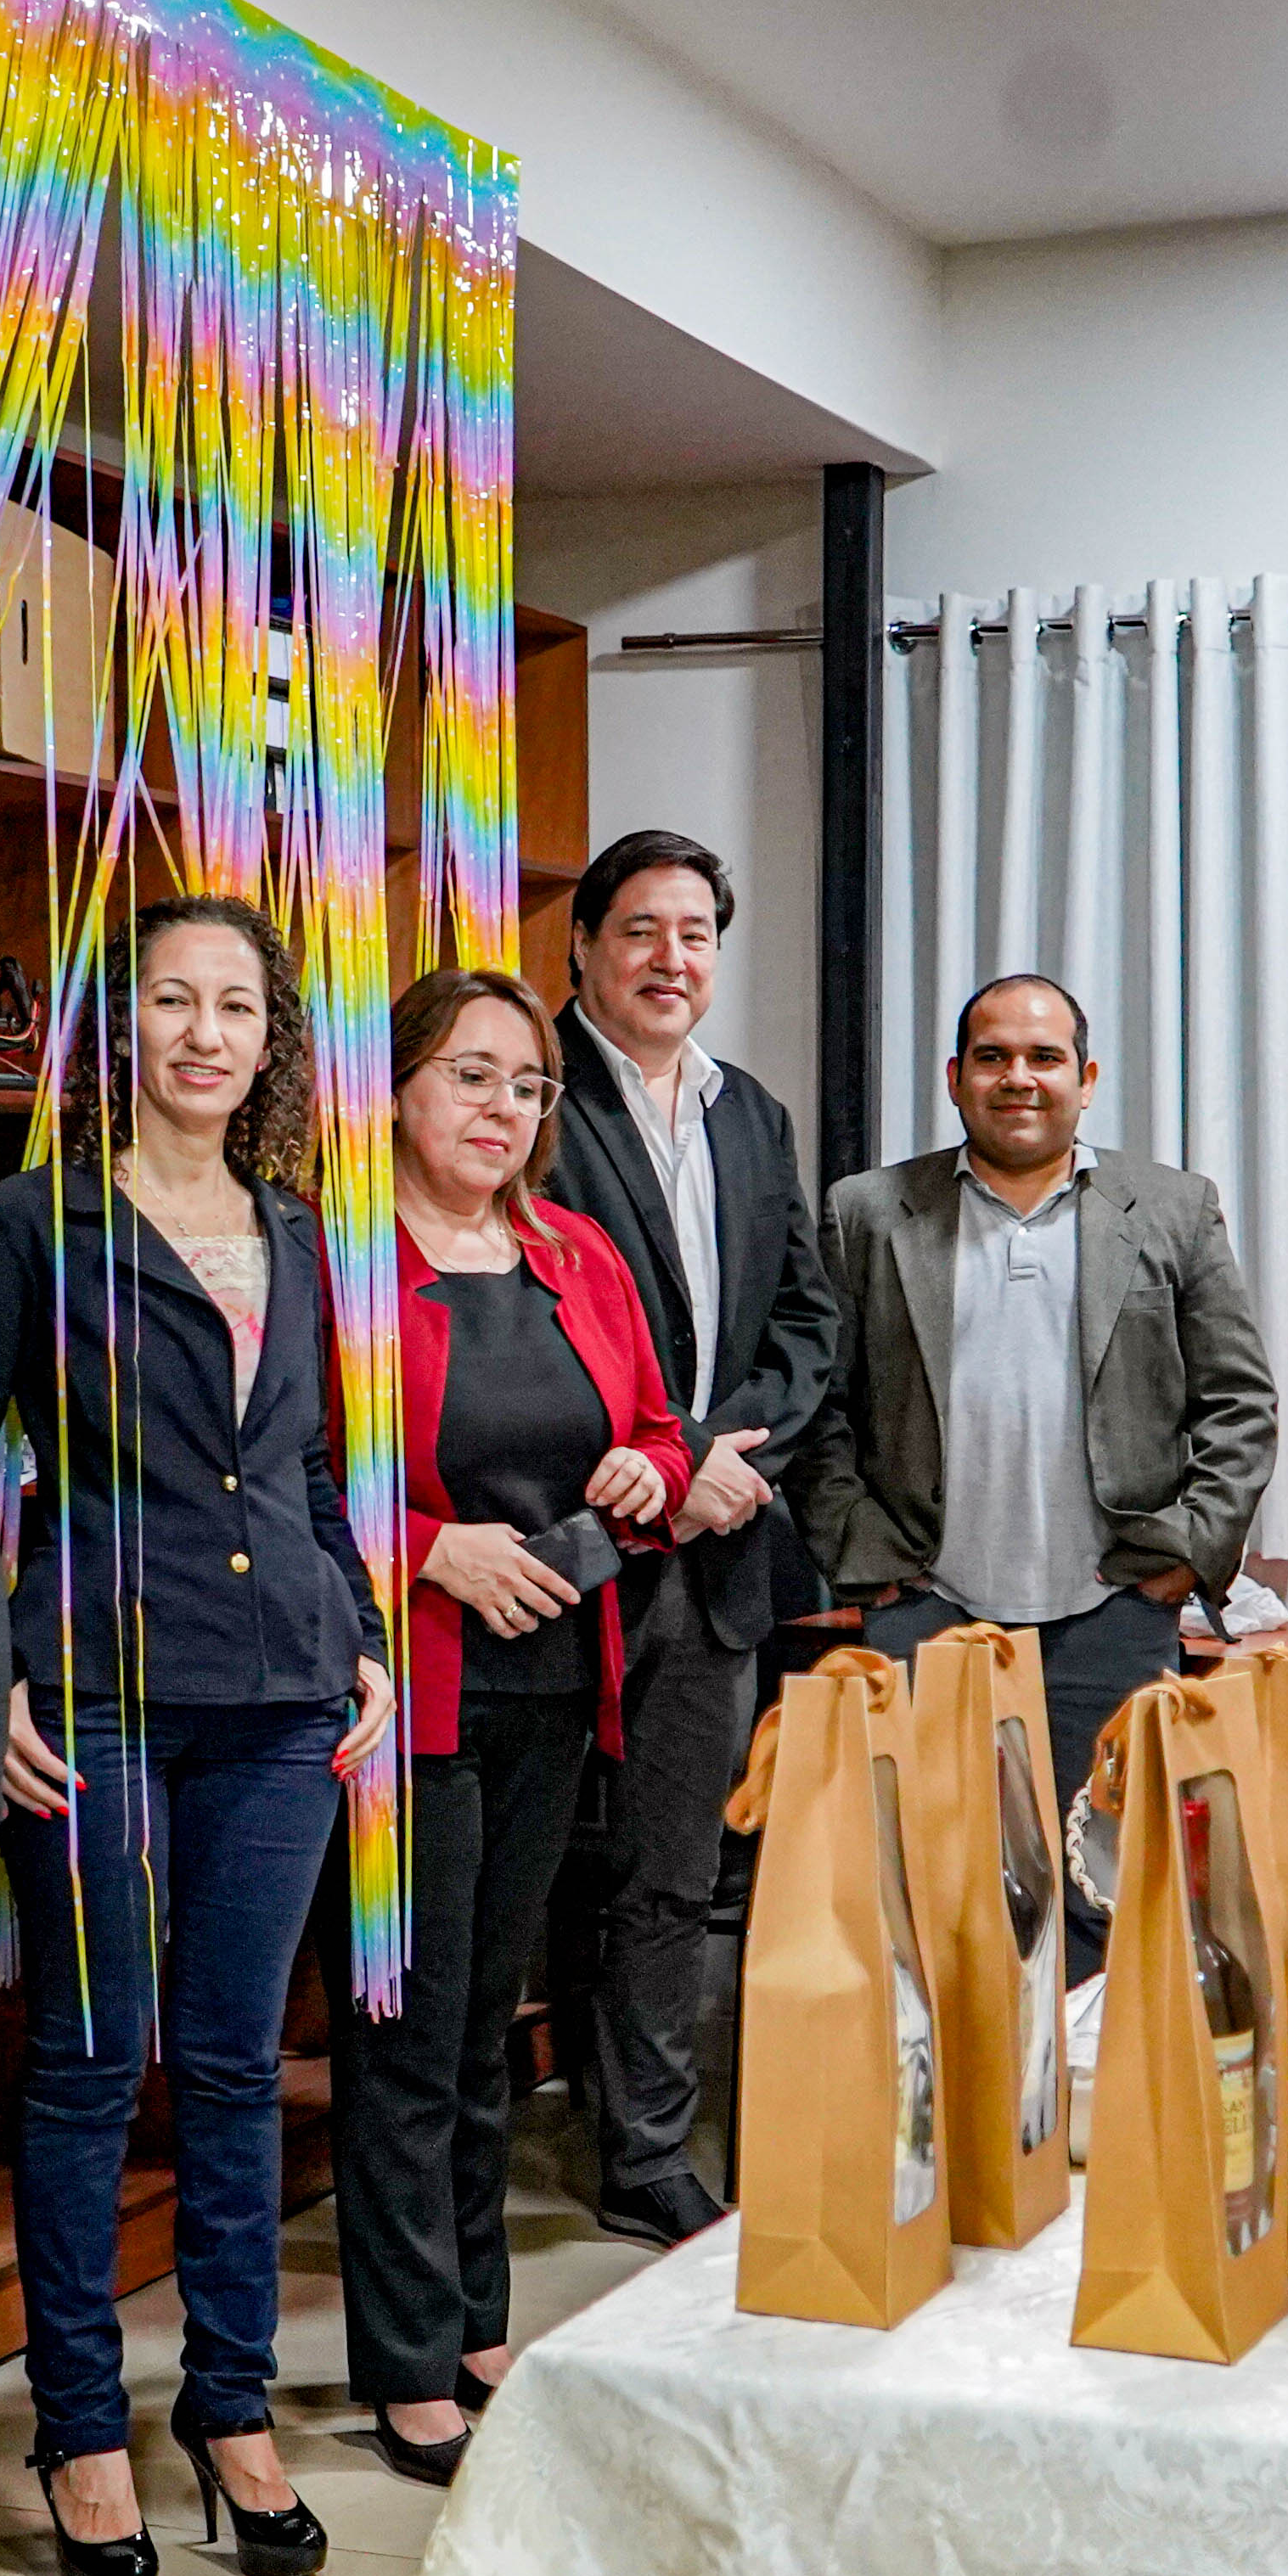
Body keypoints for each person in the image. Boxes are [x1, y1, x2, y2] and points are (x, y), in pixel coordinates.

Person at [0, 898, 394, 2576]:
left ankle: (228, 2405)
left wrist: (353, 1627)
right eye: (170, 1000)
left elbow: (314, 1468)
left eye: (237, 1006)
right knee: (83, 2059)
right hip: (97, 1682)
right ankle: (78, 2426)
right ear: (115, 1028)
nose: (205, 1031)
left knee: (228, 2064)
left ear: (273, 1040)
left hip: (283, 1688)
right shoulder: (33, 1218)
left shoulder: (297, 1225)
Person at [348, 965, 693, 2484]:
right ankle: (410, 2356)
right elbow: (288, 1470)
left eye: (529, 1086)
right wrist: (424, 1547)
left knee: (493, 2026)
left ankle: (481, 2320)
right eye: (472, 1077)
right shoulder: (337, 1261)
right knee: (413, 2037)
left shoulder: (576, 1251)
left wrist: (646, 1477)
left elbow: (661, 1432)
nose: (503, 1110)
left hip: (559, 1685)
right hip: (401, 1698)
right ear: (401, 1087)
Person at [802, 972, 1282, 1969]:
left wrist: (1192, 1552)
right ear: (955, 1077)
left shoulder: (1172, 1209)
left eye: (1044, 1057)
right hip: (929, 1608)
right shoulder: (870, 1211)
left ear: (1087, 1076)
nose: (1018, 1078)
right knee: (929, 1888)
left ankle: (1091, 2120)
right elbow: (821, 1407)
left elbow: (1239, 1402)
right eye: (993, 1057)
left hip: (1107, 1609)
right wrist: (862, 1555)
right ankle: (949, 2123)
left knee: (1103, 1887)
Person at [541, 828, 841, 2247]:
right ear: (584, 948)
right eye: (642, 931)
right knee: (535, 1873)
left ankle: (646, 2147)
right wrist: (670, 1456)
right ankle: (493, 2143)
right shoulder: (526, 1096)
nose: (672, 959)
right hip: (565, 1544)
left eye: (697, 935)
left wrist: (731, 1457)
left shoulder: (749, 1113)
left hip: (717, 1546)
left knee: (670, 1869)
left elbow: (804, 1320)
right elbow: (527, 1316)